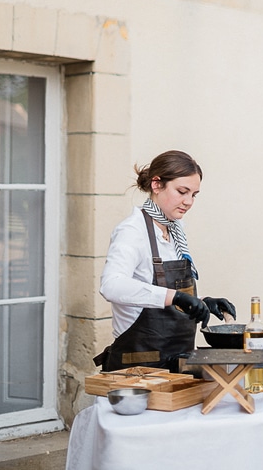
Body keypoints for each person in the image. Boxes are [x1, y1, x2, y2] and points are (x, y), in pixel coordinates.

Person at [95, 150, 237, 372]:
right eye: (182, 192)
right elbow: (111, 285)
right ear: (156, 185)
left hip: (178, 366)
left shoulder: (175, 230)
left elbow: (165, 292)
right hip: (138, 371)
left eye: (194, 194)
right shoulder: (133, 230)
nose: (188, 202)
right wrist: (176, 297)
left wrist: (201, 301)